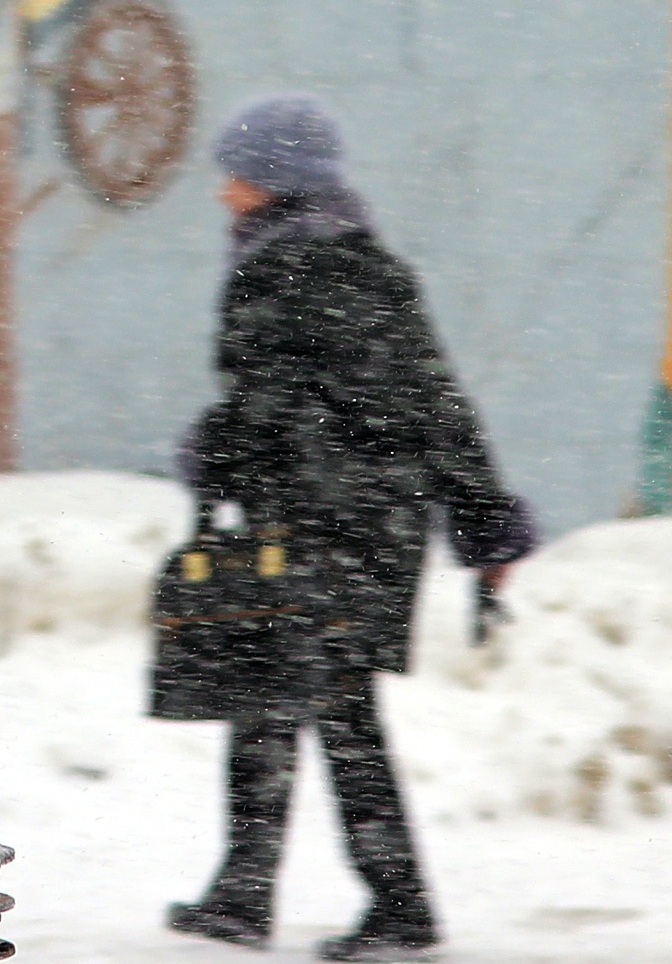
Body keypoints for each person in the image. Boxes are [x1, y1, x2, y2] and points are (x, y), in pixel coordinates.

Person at [166, 93, 534, 961]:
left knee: (330, 707)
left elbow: (268, 405)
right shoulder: (366, 262)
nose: (224, 191)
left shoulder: (286, 266)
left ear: (277, 178)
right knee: (279, 697)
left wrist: (212, 449)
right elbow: (435, 401)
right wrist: (484, 520)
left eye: (237, 174)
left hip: (324, 522)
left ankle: (398, 907)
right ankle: (245, 891)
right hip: (371, 524)